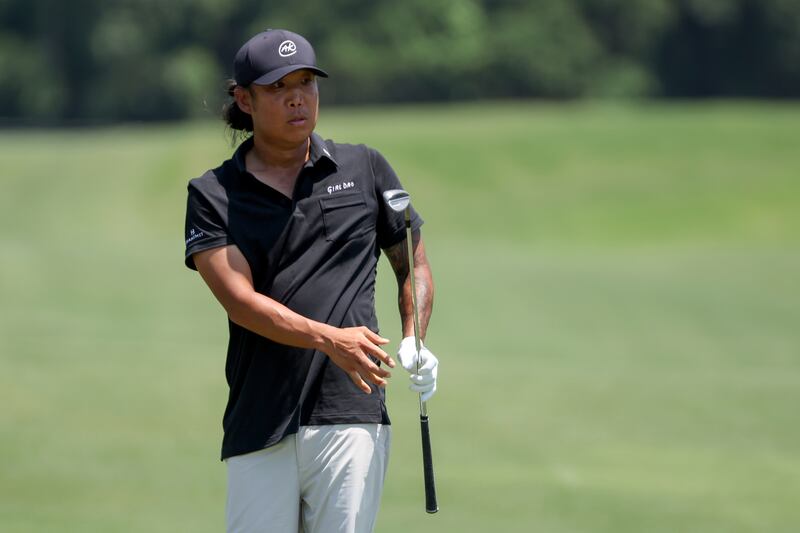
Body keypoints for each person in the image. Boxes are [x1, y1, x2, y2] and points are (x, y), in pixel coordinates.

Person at [183, 29, 439, 533]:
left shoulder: (365, 167)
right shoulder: (214, 194)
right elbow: (240, 301)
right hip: (259, 418)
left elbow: (413, 262)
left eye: (306, 83)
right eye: (278, 87)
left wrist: (415, 338)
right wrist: (329, 339)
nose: (297, 98)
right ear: (245, 100)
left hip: (350, 410)